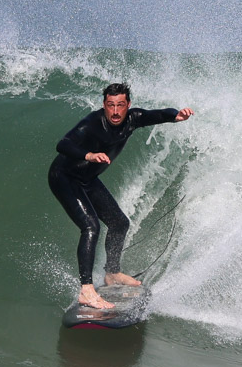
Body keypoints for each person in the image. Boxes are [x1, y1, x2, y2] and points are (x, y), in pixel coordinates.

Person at [49, 83, 193, 309]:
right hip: (64, 178)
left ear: (128, 105)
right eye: (110, 105)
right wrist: (89, 154)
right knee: (91, 227)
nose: (115, 112)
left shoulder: (132, 119)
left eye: (120, 105)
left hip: (87, 179)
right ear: (104, 105)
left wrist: (177, 115)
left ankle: (112, 274)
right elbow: (63, 144)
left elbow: (156, 115)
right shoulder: (92, 123)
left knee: (119, 223)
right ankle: (86, 290)